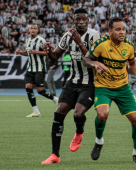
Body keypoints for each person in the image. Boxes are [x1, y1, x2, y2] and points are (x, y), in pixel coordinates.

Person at [41, 8, 101, 164]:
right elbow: (55, 57)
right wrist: (48, 51)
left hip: (89, 83)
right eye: (78, 19)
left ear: (89, 20)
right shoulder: (67, 36)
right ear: (73, 20)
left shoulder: (94, 35)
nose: (81, 22)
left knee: (78, 114)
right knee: (59, 112)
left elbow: (92, 59)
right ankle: (55, 155)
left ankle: (79, 132)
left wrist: (80, 43)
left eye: (84, 19)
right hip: (72, 82)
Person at [81, 17, 136, 163]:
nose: (122, 32)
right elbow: (86, 60)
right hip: (103, 87)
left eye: (123, 29)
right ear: (110, 31)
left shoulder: (128, 46)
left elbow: (132, 63)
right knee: (103, 115)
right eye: (118, 29)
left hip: (123, 87)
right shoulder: (101, 44)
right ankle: (99, 141)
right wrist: (95, 63)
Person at [16, 24, 58, 118]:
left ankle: (55, 100)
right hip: (30, 68)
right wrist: (21, 53)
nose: (33, 30)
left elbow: (47, 53)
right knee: (28, 88)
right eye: (31, 28)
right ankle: (36, 111)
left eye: (35, 29)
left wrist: (36, 52)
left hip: (40, 68)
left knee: (40, 90)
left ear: (38, 30)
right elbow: (28, 53)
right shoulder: (28, 40)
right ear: (29, 30)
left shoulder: (41, 40)